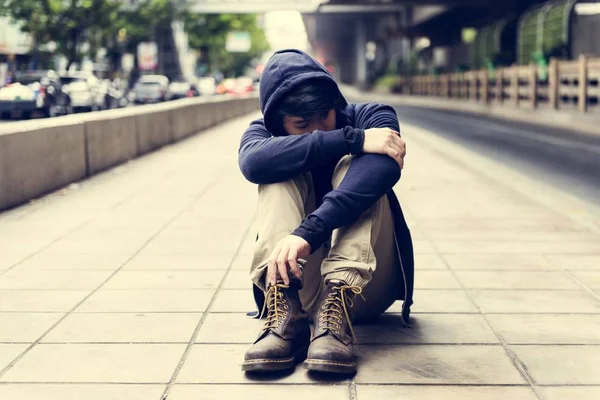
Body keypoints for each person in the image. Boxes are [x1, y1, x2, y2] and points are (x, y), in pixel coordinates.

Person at [238, 49, 414, 375]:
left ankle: (335, 316)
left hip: (363, 290)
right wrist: (352, 139)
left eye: (326, 117)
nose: (319, 129)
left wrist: (308, 231)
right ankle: (283, 313)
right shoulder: (262, 133)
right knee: (277, 173)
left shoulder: (373, 116)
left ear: (336, 105)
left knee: (361, 171)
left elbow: (383, 170)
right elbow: (254, 164)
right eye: (302, 124)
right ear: (277, 122)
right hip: (302, 292)